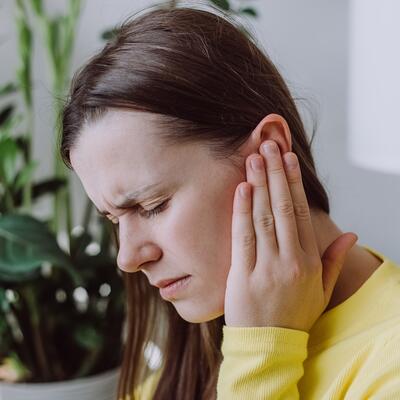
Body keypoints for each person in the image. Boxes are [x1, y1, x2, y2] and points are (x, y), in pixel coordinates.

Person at [59, 5, 400, 400]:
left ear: (269, 148)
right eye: (114, 219)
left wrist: (261, 353)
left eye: (153, 205)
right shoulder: (200, 336)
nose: (129, 258)